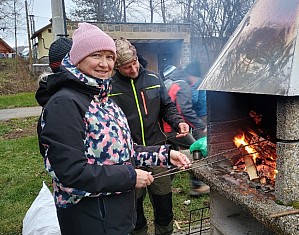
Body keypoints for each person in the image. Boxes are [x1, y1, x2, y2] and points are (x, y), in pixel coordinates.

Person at [36, 22, 191, 235]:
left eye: (109, 57)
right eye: (96, 55)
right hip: (90, 219)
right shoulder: (65, 103)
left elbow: (124, 152)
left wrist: (165, 154)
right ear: (78, 59)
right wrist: (129, 177)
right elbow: (69, 173)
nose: (104, 64)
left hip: (115, 217)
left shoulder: (103, 100)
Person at [110, 37, 189, 235]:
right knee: (133, 210)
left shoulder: (154, 79)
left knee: (164, 205)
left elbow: (167, 107)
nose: (133, 69)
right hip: (129, 158)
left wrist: (178, 121)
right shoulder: (109, 88)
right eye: (127, 67)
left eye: (134, 63)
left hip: (158, 152)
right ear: (116, 67)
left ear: (138, 58)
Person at [163, 61, 210, 196]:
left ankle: (167, 187)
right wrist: (201, 126)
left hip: (166, 128)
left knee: (170, 154)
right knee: (196, 149)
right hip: (174, 129)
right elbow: (185, 111)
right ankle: (197, 186)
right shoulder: (183, 85)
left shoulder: (174, 83)